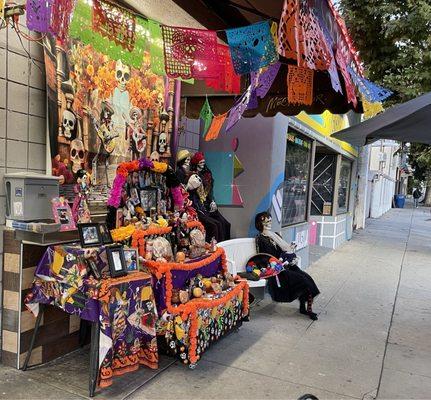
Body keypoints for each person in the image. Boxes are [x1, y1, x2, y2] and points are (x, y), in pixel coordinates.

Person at [255, 212, 320, 320]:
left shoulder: (274, 235)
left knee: (307, 278)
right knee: (302, 281)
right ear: (260, 223)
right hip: (275, 270)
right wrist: (278, 263)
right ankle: (308, 310)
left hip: (285, 265)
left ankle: (303, 307)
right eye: (266, 222)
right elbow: (263, 257)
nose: (269, 223)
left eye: (270, 221)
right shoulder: (261, 238)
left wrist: (289, 255)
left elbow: (285, 250)